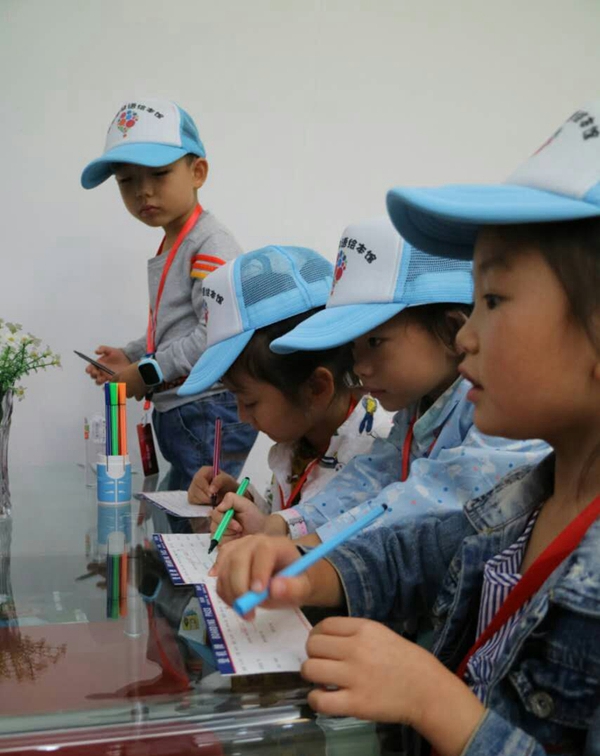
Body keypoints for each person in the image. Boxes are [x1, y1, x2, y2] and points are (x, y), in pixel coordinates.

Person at [213, 103, 600, 756]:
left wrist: (438, 705)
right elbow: (424, 547)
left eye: (493, 300)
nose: (466, 335)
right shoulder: (532, 496)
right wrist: (312, 569)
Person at [210, 216, 546, 546]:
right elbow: (371, 478)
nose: (360, 367)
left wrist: (301, 549)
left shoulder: (500, 409)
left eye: (375, 342)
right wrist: (280, 526)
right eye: (354, 347)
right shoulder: (417, 410)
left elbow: (430, 498)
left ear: (451, 330)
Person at [81, 98, 257, 488]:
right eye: (126, 181)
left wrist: (148, 372)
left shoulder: (210, 245)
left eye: (159, 174)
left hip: (208, 408)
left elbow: (216, 333)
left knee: (199, 511)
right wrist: (132, 353)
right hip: (190, 408)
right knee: (179, 505)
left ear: (198, 172)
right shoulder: (177, 242)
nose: (143, 192)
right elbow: (179, 325)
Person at [180, 244, 393, 525]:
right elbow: (288, 517)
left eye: (250, 401)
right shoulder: (300, 441)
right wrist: (245, 502)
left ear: (316, 389)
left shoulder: (376, 456)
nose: (242, 415)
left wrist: (268, 531)